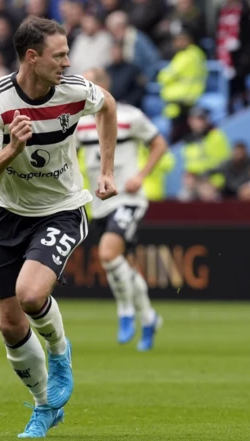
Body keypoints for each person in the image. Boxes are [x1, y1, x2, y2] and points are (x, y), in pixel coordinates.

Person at [0, 17, 118, 438]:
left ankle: (60, 352)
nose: (68, 61)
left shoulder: (74, 89)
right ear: (32, 58)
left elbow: (107, 105)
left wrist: (105, 170)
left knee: (31, 294)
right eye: (60, 54)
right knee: (9, 325)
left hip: (62, 209)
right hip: (7, 214)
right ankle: (44, 406)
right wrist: (12, 148)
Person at [76, 67, 168, 351]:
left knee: (107, 253)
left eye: (90, 84)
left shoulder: (130, 116)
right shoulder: (80, 122)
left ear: (104, 86)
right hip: (99, 202)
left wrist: (141, 176)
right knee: (119, 263)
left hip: (128, 198)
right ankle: (150, 318)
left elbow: (159, 144)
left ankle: (125, 312)